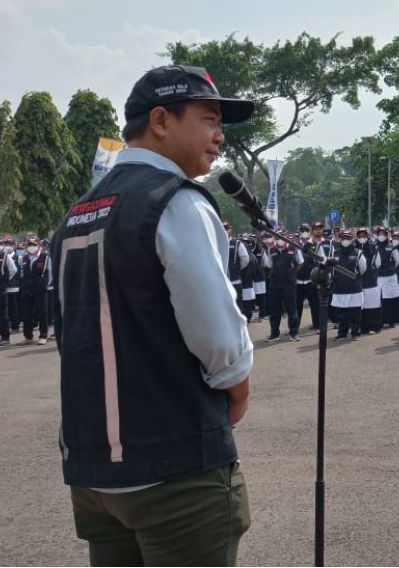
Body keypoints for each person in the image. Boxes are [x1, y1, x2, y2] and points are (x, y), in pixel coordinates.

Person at [51, 64, 254, 566]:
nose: (219, 136)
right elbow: (219, 337)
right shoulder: (175, 202)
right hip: (174, 473)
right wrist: (238, 389)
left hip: (97, 468)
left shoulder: (79, 211)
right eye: (209, 119)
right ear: (161, 121)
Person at [19, 236, 53, 345]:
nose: (31, 247)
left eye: (34, 245)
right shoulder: (23, 258)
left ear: (39, 246)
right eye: (29, 245)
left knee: (42, 313)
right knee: (27, 314)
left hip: (40, 290)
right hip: (26, 290)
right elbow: (21, 273)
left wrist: (44, 285)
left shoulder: (45, 257)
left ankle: (43, 335)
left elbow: (51, 274)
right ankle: (28, 337)